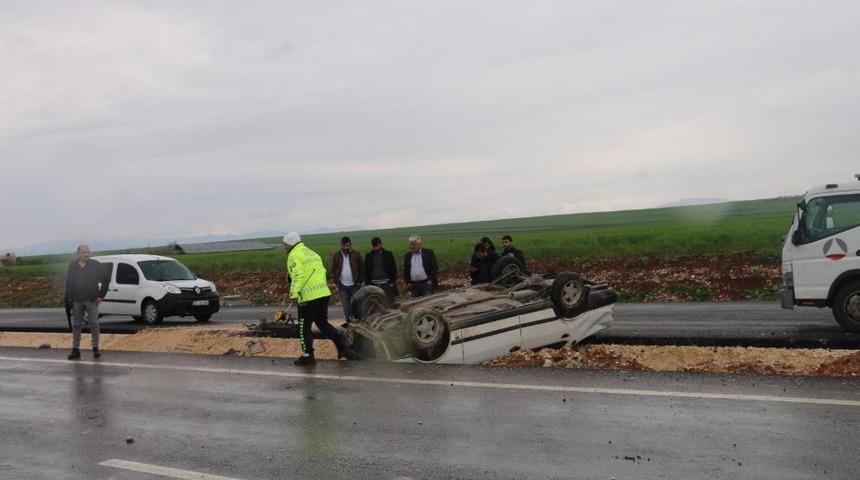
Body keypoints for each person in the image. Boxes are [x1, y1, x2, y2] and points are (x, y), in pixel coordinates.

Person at [283, 232, 351, 366]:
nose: (284, 247)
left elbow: (298, 276)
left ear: (290, 244)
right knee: (322, 323)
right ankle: (342, 343)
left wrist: (293, 295)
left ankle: (308, 355)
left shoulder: (293, 255)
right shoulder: (312, 253)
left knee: (304, 327)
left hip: (309, 297)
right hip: (323, 294)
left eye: (285, 245)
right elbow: (322, 272)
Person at [64, 245, 108, 360]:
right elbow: (69, 282)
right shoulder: (72, 266)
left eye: (88, 252)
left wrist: (100, 295)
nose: (87, 254)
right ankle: (75, 349)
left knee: (93, 324)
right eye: (84, 252)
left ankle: (95, 349)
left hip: (92, 300)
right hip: (76, 300)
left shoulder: (96, 265)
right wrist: (68, 298)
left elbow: (105, 280)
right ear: (78, 253)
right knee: (77, 325)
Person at [330, 236, 363, 325]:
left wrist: (359, 281)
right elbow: (333, 270)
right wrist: (336, 281)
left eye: (348, 246)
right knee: (346, 306)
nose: (346, 248)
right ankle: (348, 323)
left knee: (357, 304)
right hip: (342, 286)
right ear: (341, 245)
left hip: (355, 285)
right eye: (344, 246)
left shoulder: (356, 254)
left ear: (350, 245)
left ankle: (359, 322)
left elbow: (362, 268)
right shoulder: (337, 256)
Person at [364, 237, 398, 303]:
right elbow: (366, 270)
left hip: (387, 284)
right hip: (374, 285)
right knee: (376, 304)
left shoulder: (388, 254)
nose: (376, 248)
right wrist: (367, 283)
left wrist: (392, 281)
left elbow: (393, 269)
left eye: (377, 246)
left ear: (381, 244)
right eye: (374, 247)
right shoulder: (368, 256)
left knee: (390, 303)